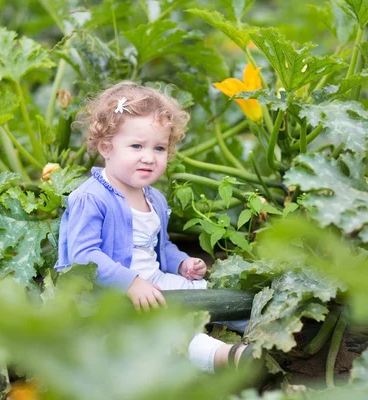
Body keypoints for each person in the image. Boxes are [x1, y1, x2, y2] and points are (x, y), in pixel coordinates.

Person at [55, 82, 259, 373]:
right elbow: (83, 257)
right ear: (106, 147)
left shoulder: (154, 198)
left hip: (154, 281)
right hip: (110, 301)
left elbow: (161, 248)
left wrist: (182, 264)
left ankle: (266, 326)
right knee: (162, 328)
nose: (149, 157)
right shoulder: (91, 198)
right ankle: (226, 357)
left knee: (203, 290)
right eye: (137, 146)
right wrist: (130, 282)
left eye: (159, 148)